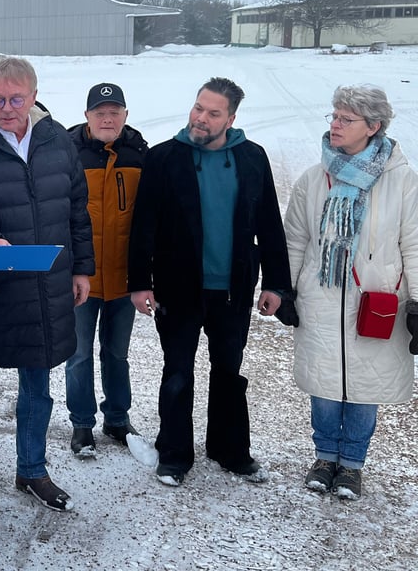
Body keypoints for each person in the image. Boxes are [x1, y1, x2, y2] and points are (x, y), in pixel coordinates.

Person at [0, 57, 94, 531]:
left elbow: (76, 211)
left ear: (33, 95)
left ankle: (32, 471)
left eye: (15, 99)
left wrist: (82, 269)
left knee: (37, 390)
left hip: (47, 287)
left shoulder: (57, 142)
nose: (6, 108)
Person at [127, 76, 292, 487]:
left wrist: (275, 284)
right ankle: (174, 453)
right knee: (178, 371)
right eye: (198, 108)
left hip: (233, 288)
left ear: (231, 118)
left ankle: (230, 449)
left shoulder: (252, 157)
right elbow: (142, 224)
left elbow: (270, 224)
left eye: (213, 113)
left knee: (228, 371)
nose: (201, 118)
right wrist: (139, 282)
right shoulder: (165, 158)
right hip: (177, 286)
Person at [282, 85, 418, 500]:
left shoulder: (402, 181)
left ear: (373, 126)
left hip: (377, 303)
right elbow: (296, 239)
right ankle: (325, 458)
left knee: (365, 385)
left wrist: (417, 302)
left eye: (346, 118)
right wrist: (285, 289)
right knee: (325, 386)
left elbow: (413, 242)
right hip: (321, 296)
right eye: (334, 116)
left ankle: (352, 466)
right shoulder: (313, 178)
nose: (335, 124)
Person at [65, 82, 148, 458]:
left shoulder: (139, 155)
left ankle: (117, 418)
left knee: (116, 353)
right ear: (87, 117)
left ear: (126, 116)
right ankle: (82, 424)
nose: (108, 118)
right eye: (100, 113)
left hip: (123, 278)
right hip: (81, 277)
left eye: (115, 112)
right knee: (78, 354)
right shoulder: (67, 153)